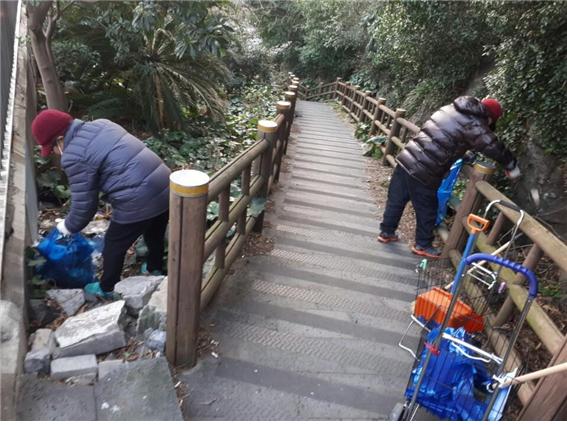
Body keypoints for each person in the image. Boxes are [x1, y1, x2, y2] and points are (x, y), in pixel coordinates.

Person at [32, 109, 171, 298]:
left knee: (113, 245)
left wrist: (66, 227)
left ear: (60, 139)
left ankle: (107, 287)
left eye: (53, 148)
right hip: (165, 184)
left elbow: (84, 207)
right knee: (154, 230)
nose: (56, 153)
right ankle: (154, 268)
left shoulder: (73, 155)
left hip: (138, 198)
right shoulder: (102, 124)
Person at [378, 97, 520, 258]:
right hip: (426, 169)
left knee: (396, 199)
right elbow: (492, 146)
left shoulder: (451, 109)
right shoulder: (474, 122)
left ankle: (386, 232)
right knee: (427, 209)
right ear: (489, 116)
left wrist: (463, 154)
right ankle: (423, 244)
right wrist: (511, 165)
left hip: (407, 158)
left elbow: (444, 137)